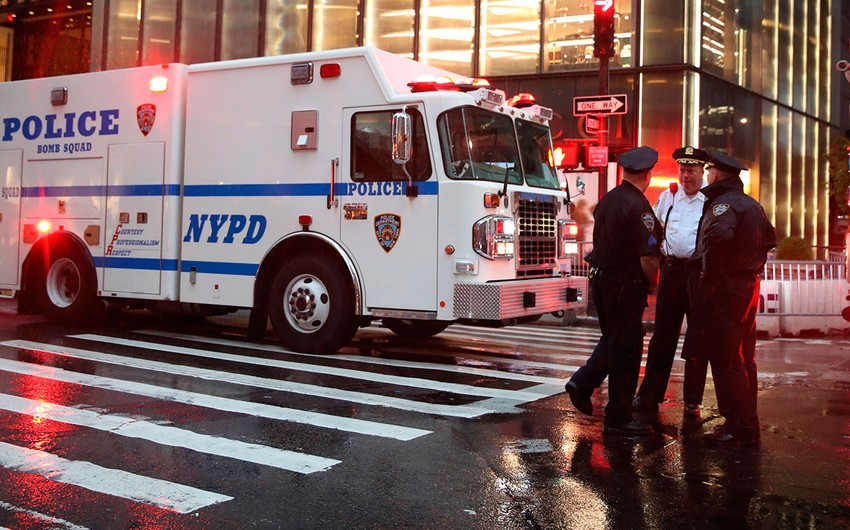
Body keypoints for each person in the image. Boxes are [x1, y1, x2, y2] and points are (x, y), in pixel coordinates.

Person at [564, 146, 662, 436]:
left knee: (614, 340)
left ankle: (582, 382)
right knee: (627, 350)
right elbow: (648, 257)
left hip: (603, 282)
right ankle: (618, 416)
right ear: (648, 174)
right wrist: (653, 283)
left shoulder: (608, 199)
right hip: (625, 285)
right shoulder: (639, 207)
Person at [684, 151, 776, 445]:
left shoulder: (722, 204)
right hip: (748, 285)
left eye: (709, 172)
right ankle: (749, 421)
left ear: (716, 175)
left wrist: (710, 276)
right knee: (745, 357)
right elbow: (771, 238)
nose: (707, 176)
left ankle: (738, 424)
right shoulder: (752, 204)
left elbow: (719, 237)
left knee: (727, 358)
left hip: (727, 288)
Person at [632, 146, 710, 419]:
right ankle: (649, 394)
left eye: (691, 171)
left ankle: (692, 400)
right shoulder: (669, 196)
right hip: (673, 270)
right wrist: (655, 249)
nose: (686, 176)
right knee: (662, 337)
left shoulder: (710, 200)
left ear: (702, 171)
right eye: (682, 170)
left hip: (699, 274)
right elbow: (652, 228)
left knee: (697, 338)